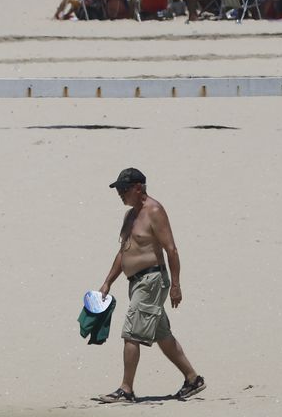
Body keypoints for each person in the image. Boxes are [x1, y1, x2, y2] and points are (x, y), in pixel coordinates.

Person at [96, 168, 205, 404]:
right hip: (136, 282)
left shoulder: (154, 211)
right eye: (118, 190)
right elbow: (124, 251)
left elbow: (171, 249)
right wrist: (107, 282)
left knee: (131, 333)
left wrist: (176, 285)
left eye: (123, 189)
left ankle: (126, 390)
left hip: (152, 280)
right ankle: (193, 378)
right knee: (162, 335)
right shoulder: (130, 216)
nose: (120, 194)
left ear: (138, 188)